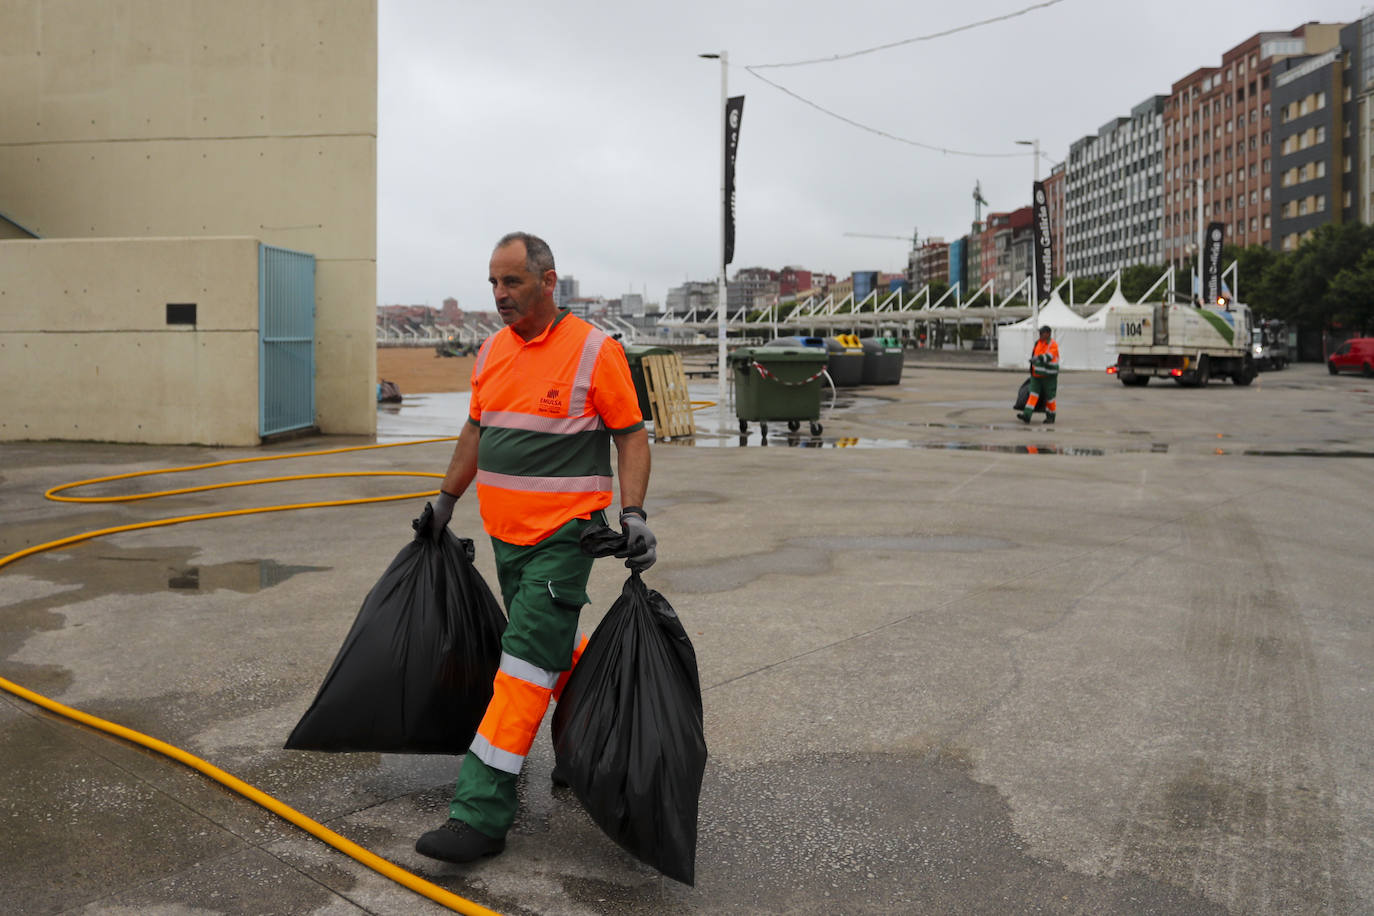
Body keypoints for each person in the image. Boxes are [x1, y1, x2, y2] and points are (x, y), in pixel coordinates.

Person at [415, 231, 655, 864]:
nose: (499, 295)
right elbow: (476, 429)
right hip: (507, 540)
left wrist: (632, 513)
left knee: (521, 663)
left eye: (512, 282)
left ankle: (480, 812)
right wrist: (446, 499)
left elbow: (631, 437)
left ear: (549, 282)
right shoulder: (492, 350)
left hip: (563, 538)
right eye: (493, 283)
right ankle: (587, 742)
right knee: (546, 647)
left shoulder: (595, 352)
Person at [1018, 325, 1059, 425]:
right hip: (1036, 375)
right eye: (1040, 332)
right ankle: (1027, 415)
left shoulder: (1053, 345)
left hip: (1049, 376)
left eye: (1042, 332)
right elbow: (1034, 355)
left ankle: (1051, 416)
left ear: (1048, 334)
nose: (1040, 334)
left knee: (1050, 398)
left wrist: (1038, 358)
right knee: (1033, 395)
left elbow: (1049, 356)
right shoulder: (1038, 343)